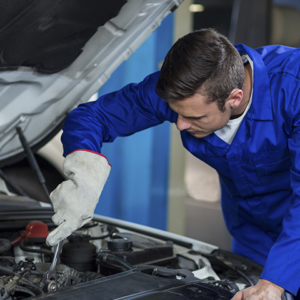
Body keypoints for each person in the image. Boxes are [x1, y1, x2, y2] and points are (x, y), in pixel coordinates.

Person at [46, 28, 300, 299]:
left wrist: (274, 281)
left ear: (234, 98)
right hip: (251, 234)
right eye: (176, 113)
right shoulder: (185, 89)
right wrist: (84, 173)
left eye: (195, 117)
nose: (180, 124)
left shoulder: (292, 88)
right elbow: (92, 116)